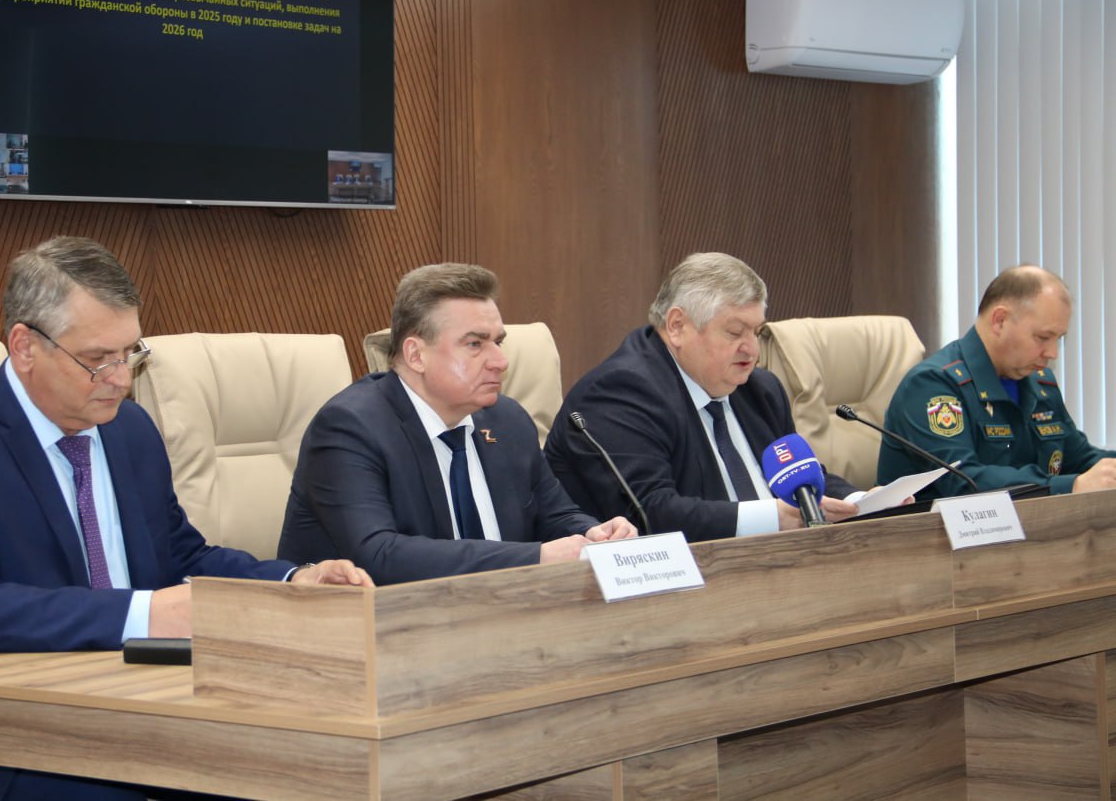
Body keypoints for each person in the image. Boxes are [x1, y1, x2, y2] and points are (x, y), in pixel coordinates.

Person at [0, 237, 371, 801]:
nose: (121, 379)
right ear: (25, 346)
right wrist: (147, 613)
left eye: (129, 354)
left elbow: (182, 556)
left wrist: (292, 581)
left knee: (319, 769)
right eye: (98, 360)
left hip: (136, 714)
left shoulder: (129, 430)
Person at [277, 263, 635, 585]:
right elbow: (379, 555)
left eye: (498, 342)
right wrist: (535, 557)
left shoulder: (507, 419)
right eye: (475, 344)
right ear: (416, 354)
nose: (500, 361)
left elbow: (555, 513)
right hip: (376, 623)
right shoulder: (350, 428)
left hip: (500, 614)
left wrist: (593, 534)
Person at [544, 252, 861, 543]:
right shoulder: (620, 392)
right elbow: (652, 513)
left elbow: (798, 478)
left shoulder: (760, 390)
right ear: (677, 326)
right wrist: (774, 517)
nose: (752, 349)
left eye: (756, 332)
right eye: (735, 332)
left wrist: (860, 501)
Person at [878, 264, 1116, 499]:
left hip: (1033, 522)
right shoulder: (932, 385)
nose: (1052, 353)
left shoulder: (1040, 384)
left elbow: (1080, 458)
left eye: (1059, 338)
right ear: (1000, 320)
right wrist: (1070, 486)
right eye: (1043, 337)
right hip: (942, 524)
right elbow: (963, 481)